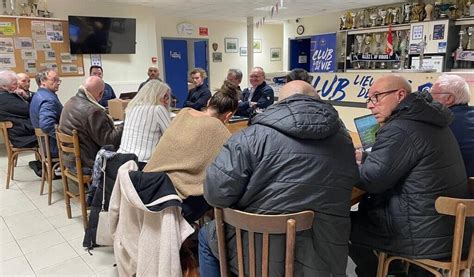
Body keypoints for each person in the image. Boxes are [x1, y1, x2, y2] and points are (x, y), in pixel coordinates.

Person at [199, 80, 360, 276]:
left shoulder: (249, 138)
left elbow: (215, 195)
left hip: (255, 258)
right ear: (317, 102)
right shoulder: (344, 141)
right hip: (323, 260)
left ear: (280, 104)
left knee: (206, 235)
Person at [350, 75, 471, 276]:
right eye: (369, 99)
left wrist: (341, 164)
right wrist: (365, 156)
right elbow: (409, 157)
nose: (370, 106)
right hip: (451, 231)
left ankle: (385, 271)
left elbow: (371, 181)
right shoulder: (429, 120)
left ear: (400, 95)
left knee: (338, 223)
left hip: (421, 236)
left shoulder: (400, 128)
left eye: (377, 97)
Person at [144, 80, 239, 222]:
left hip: (150, 186)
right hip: (177, 200)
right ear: (228, 116)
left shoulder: (183, 113)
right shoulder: (219, 129)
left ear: (208, 103)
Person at [59, 76, 123, 172]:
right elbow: (109, 141)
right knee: (130, 160)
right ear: (101, 93)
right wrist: (124, 125)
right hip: (87, 162)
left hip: (69, 160)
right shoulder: (93, 111)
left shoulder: (70, 102)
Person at [117, 80, 171, 164]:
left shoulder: (131, 108)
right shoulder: (158, 109)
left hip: (121, 160)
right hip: (143, 163)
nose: (167, 101)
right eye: (165, 97)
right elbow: (171, 137)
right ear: (155, 95)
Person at [430, 74, 474, 177]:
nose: (428, 99)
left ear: (449, 99)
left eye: (432, 94)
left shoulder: (442, 122)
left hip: (461, 186)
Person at [29, 69, 63, 158]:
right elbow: (47, 125)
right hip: (53, 146)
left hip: (45, 145)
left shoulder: (38, 95)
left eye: (58, 80)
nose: (58, 83)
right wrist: (64, 138)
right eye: (54, 80)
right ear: (43, 81)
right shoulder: (48, 99)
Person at [0, 70, 36, 148]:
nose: (17, 86)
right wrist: (25, 97)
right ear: (3, 86)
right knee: (52, 132)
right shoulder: (5, 98)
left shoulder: (7, 95)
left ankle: (44, 159)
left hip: (23, 132)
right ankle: (51, 159)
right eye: (14, 84)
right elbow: (30, 110)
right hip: (22, 137)